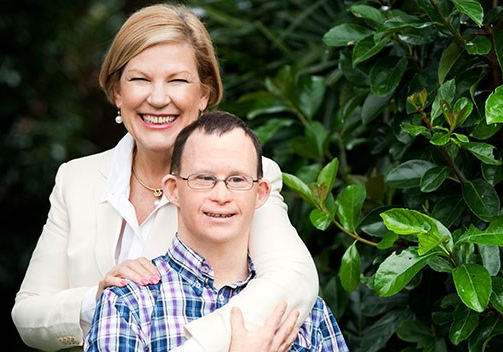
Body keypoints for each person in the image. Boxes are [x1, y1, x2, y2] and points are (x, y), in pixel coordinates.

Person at [11, 3, 318, 352]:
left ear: (203, 94)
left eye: (177, 80)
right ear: (117, 92)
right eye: (140, 79)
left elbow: (294, 279)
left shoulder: (242, 180)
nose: (158, 99)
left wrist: (202, 347)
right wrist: (98, 301)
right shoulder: (75, 178)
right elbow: (28, 313)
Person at [84, 111, 348, 352]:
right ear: (173, 190)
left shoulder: (304, 313)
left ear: (260, 194)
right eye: (204, 179)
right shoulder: (129, 302)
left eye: (237, 180)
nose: (221, 195)